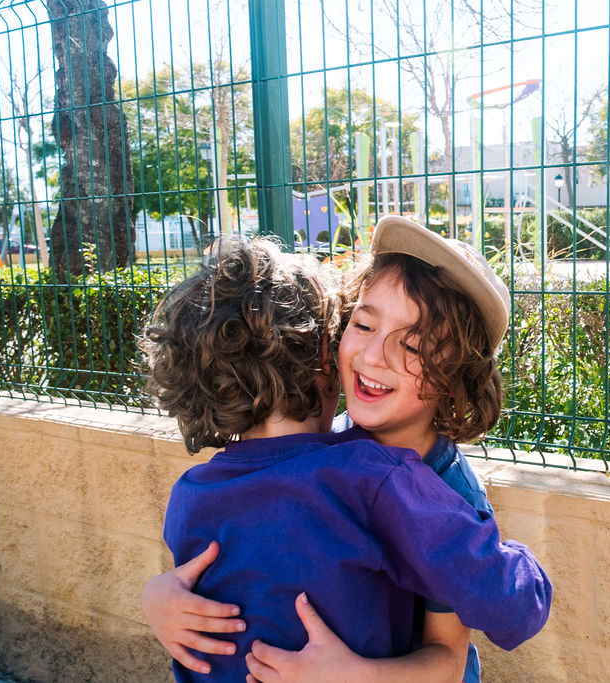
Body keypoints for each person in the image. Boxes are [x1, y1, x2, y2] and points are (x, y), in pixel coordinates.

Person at [140, 235, 550, 682]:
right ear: (326, 347)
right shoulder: (353, 466)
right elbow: (517, 603)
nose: (375, 355)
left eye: (413, 346)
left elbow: (448, 661)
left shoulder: (194, 492)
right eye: (364, 325)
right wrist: (160, 598)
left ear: (456, 377)